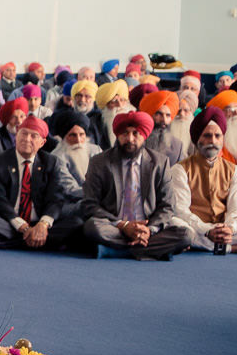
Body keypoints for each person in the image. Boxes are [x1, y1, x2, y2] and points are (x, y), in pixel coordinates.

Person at [81, 112, 189, 261]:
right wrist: (124, 226)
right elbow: (90, 204)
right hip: (115, 226)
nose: (130, 139)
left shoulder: (159, 163)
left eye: (135, 133)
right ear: (118, 135)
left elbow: (168, 205)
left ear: (144, 136)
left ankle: (117, 251)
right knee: (92, 227)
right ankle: (150, 249)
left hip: (148, 226)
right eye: (125, 133)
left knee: (186, 235)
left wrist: (148, 230)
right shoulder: (100, 162)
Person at [169, 110, 237, 254]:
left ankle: (215, 243)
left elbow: (236, 209)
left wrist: (229, 228)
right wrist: (207, 230)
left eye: (217, 136)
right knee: (175, 224)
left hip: (221, 228)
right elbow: (181, 211)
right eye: (207, 136)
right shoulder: (180, 169)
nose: (213, 141)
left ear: (222, 139)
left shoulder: (233, 170)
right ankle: (229, 248)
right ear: (197, 139)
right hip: (196, 228)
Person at [0, 115, 81, 251]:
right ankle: (42, 241)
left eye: (33, 136)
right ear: (16, 135)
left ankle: (6, 243)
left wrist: (43, 224)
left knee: (76, 223)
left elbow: (56, 199)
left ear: (42, 142)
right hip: (10, 220)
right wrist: (22, 226)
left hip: (39, 219)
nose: (27, 139)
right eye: (24, 133)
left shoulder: (52, 163)